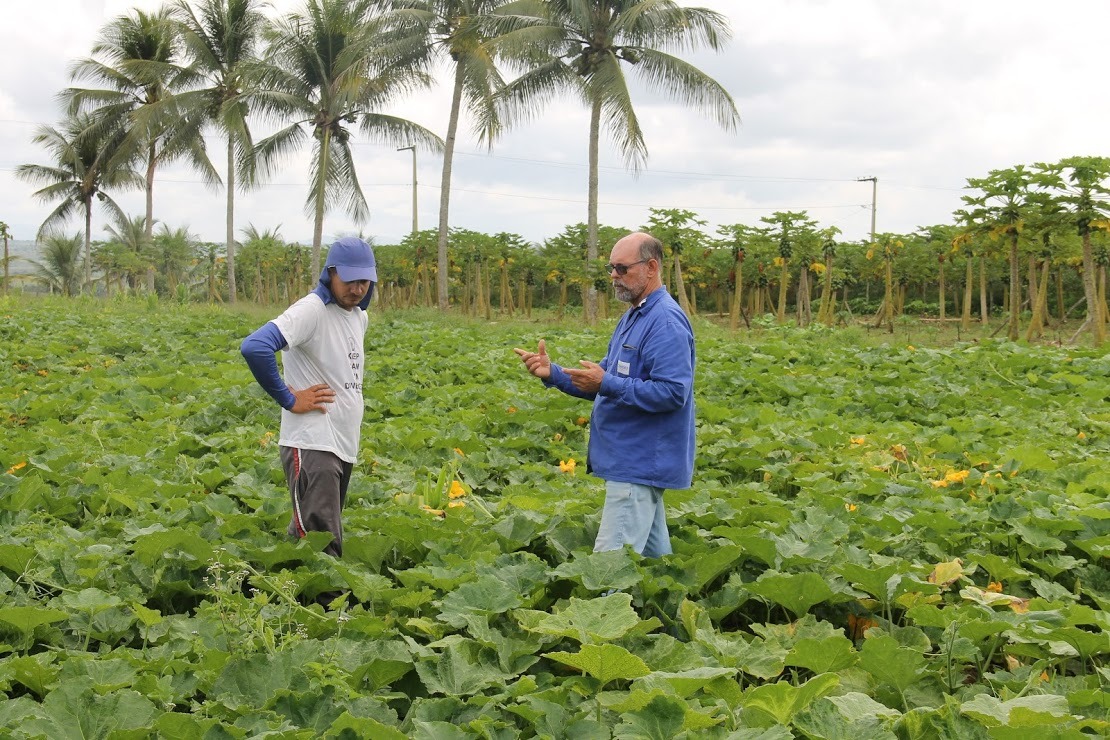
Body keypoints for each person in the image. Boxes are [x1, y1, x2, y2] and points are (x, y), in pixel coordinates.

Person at [514, 231, 695, 557]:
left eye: (622, 268)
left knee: (609, 570)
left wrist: (606, 384)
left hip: (639, 464)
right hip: (630, 462)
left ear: (651, 267)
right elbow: (603, 378)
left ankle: (603, 612)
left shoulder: (664, 321)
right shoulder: (635, 315)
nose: (613, 275)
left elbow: (672, 393)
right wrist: (553, 373)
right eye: (611, 267)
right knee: (657, 569)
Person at [241, 236, 376, 558]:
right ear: (330, 274)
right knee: (321, 535)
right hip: (313, 441)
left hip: (341, 440)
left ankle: (282, 585)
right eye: (349, 280)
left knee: (313, 527)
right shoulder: (311, 310)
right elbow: (255, 347)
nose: (357, 289)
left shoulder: (359, 317)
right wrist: (289, 398)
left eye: (364, 281)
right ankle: (327, 605)